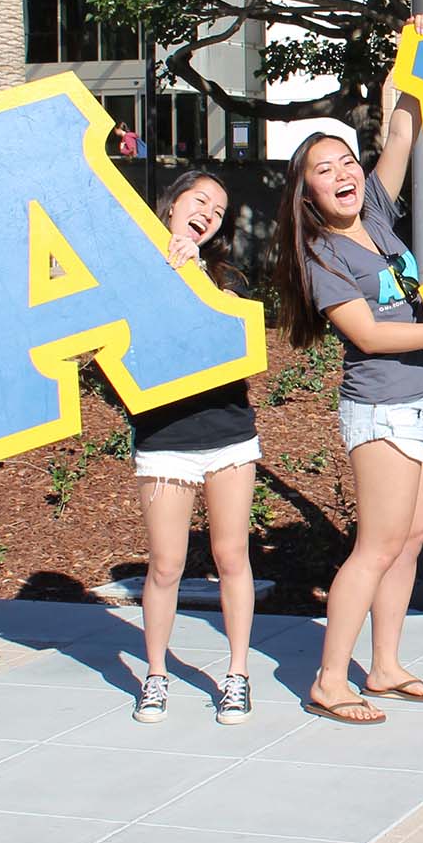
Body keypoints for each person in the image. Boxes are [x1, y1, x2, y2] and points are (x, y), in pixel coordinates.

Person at [272, 95, 423, 724]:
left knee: (411, 539)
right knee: (375, 547)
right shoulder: (324, 256)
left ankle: (384, 666)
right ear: (306, 194)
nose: (344, 173)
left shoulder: (374, 214)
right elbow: (369, 336)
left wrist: (417, 47)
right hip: (380, 408)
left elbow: (403, 130)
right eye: (324, 169)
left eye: (347, 160)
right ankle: (328, 680)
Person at [127, 170, 264, 727]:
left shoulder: (226, 279)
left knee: (232, 556)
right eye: (199, 200)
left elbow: (229, 340)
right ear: (172, 203)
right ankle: (155, 676)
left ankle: (237, 676)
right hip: (165, 439)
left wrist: (196, 275)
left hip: (229, 436)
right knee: (166, 564)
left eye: (219, 209)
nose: (208, 212)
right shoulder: (134, 268)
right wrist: (165, 267)